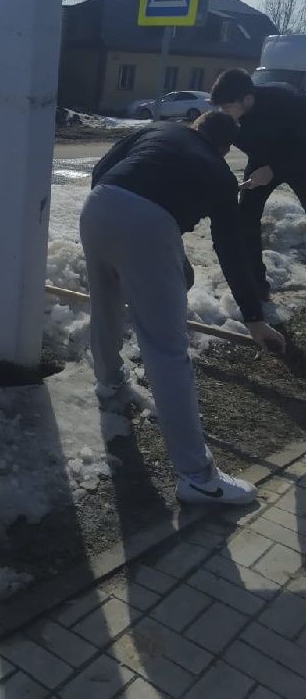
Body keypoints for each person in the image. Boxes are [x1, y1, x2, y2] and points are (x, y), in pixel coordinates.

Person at [80, 112, 285, 506]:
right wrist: (254, 318)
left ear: (196, 126)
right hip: (147, 225)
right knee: (167, 350)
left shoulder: (158, 131)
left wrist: (115, 223)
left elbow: (105, 167)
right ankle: (197, 477)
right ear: (225, 148)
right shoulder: (220, 173)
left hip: (99, 204)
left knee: (104, 305)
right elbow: (231, 250)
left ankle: (109, 382)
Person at [210, 68, 306, 301]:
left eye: (227, 107)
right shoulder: (231, 116)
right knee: (246, 219)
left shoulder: (288, 101)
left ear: (248, 99)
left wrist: (274, 168)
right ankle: (256, 284)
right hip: (262, 160)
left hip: (300, 158)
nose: (224, 113)